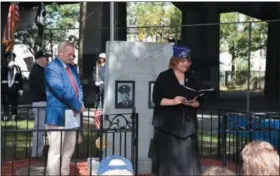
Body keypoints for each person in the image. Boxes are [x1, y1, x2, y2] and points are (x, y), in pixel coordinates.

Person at [152, 46, 204, 175]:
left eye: (188, 61)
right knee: (169, 166)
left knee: (188, 165)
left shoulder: (192, 78)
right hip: (168, 128)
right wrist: (173, 101)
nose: (186, 64)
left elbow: (200, 100)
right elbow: (157, 99)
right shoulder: (164, 77)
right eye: (183, 61)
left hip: (188, 128)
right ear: (175, 61)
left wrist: (194, 103)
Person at [44, 41, 85, 175]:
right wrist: (77, 105)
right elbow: (60, 91)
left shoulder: (72, 68)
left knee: (68, 152)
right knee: (56, 152)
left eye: (73, 55)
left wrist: (79, 102)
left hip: (72, 116)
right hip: (58, 116)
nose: (72, 57)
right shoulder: (52, 68)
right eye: (69, 54)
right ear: (59, 53)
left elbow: (78, 87)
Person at [29, 50, 50, 158]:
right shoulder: (38, 71)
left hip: (40, 101)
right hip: (40, 102)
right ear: (39, 59)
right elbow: (43, 88)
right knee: (39, 129)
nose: (47, 60)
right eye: (45, 58)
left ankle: (37, 152)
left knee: (39, 129)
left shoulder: (39, 70)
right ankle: (38, 152)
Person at [1, 52, 23, 121]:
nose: (10, 59)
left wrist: (21, 89)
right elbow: (2, 73)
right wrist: (7, 67)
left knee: (14, 103)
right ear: (6, 59)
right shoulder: (2, 67)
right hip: (5, 88)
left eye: (12, 58)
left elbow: (20, 79)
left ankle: (14, 116)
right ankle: (6, 116)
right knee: (5, 102)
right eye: (9, 58)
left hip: (14, 88)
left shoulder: (17, 68)